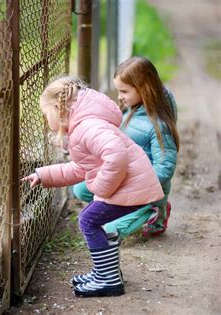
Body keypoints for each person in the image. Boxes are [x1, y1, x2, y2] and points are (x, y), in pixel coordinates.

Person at [21, 76, 164, 297]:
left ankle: (108, 280)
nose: (44, 118)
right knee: (91, 218)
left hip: (131, 187)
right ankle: (106, 273)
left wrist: (101, 188)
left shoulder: (88, 127)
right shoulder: (83, 127)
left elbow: (116, 155)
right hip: (130, 185)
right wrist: (43, 174)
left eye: (45, 112)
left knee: (88, 220)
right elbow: (80, 168)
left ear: (58, 109)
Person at [73, 56, 179, 238]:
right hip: (126, 178)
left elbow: (165, 167)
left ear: (144, 89)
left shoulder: (159, 126)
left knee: (110, 232)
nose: (120, 96)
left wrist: (136, 187)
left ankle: (154, 212)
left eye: (124, 91)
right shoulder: (130, 109)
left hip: (147, 190)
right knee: (81, 189)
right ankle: (121, 208)